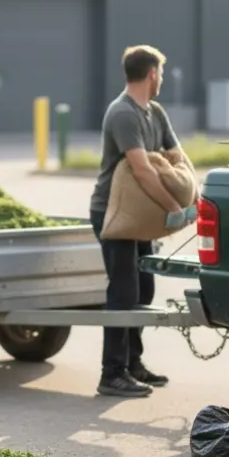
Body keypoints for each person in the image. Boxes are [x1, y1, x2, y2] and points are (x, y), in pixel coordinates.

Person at [88, 45, 194, 398]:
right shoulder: (122, 114)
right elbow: (144, 171)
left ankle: (133, 363)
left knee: (144, 288)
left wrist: (193, 191)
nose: (161, 78)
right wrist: (174, 210)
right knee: (123, 290)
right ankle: (111, 372)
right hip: (114, 214)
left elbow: (177, 158)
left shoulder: (156, 113)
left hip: (143, 215)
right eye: (161, 72)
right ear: (152, 73)